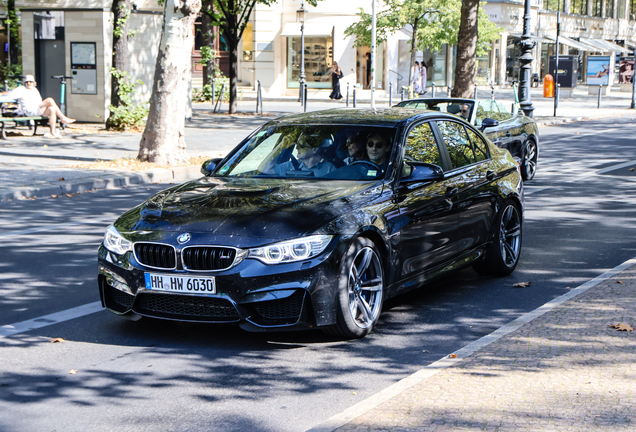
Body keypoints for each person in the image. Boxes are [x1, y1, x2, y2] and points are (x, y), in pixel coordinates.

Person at [0, 74, 75, 138]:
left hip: (37, 109)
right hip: (29, 111)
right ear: (24, 83)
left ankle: (53, 132)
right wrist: (1, 94)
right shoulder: (21, 89)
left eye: (31, 82)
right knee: (50, 100)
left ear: (34, 83)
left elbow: (40, 102)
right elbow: (10, 93)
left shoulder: (35, 90)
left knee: (52, 109)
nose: (29, 83)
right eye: (27, 82)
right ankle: (63, 118)